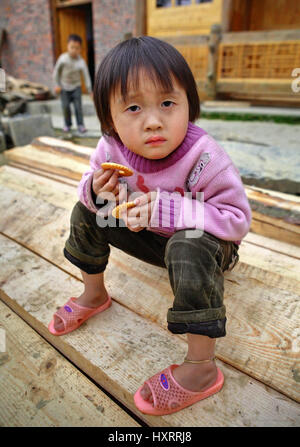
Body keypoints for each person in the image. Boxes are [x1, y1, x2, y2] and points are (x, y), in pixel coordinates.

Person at [48, 36, 252, 415]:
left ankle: (201, 366)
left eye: (168, 103)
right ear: (109, 118)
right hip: (153, 238)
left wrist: (169, 212)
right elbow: (91, 180)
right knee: (87, 211)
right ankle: (94, 294)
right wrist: (96, 189)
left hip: (207, 248)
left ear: (190, 105)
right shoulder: (111, 146)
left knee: (187, 244)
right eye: (134, 107)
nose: (154, 121)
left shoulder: (203, 157)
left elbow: (237, 220)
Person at [53, 33, 93, 134]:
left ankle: (80, 125)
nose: (74, 50)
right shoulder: (63, 59)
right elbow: (56, 72)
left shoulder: (81, 62)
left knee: (78, 107)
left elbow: (86, 75)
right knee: (65, 107)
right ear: (67, 46)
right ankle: (67, 124)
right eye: (72, 47)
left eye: (77, 48)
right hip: (64, 87)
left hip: (76, 87)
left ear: (80, 49)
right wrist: (57, 84)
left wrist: (90, 90)